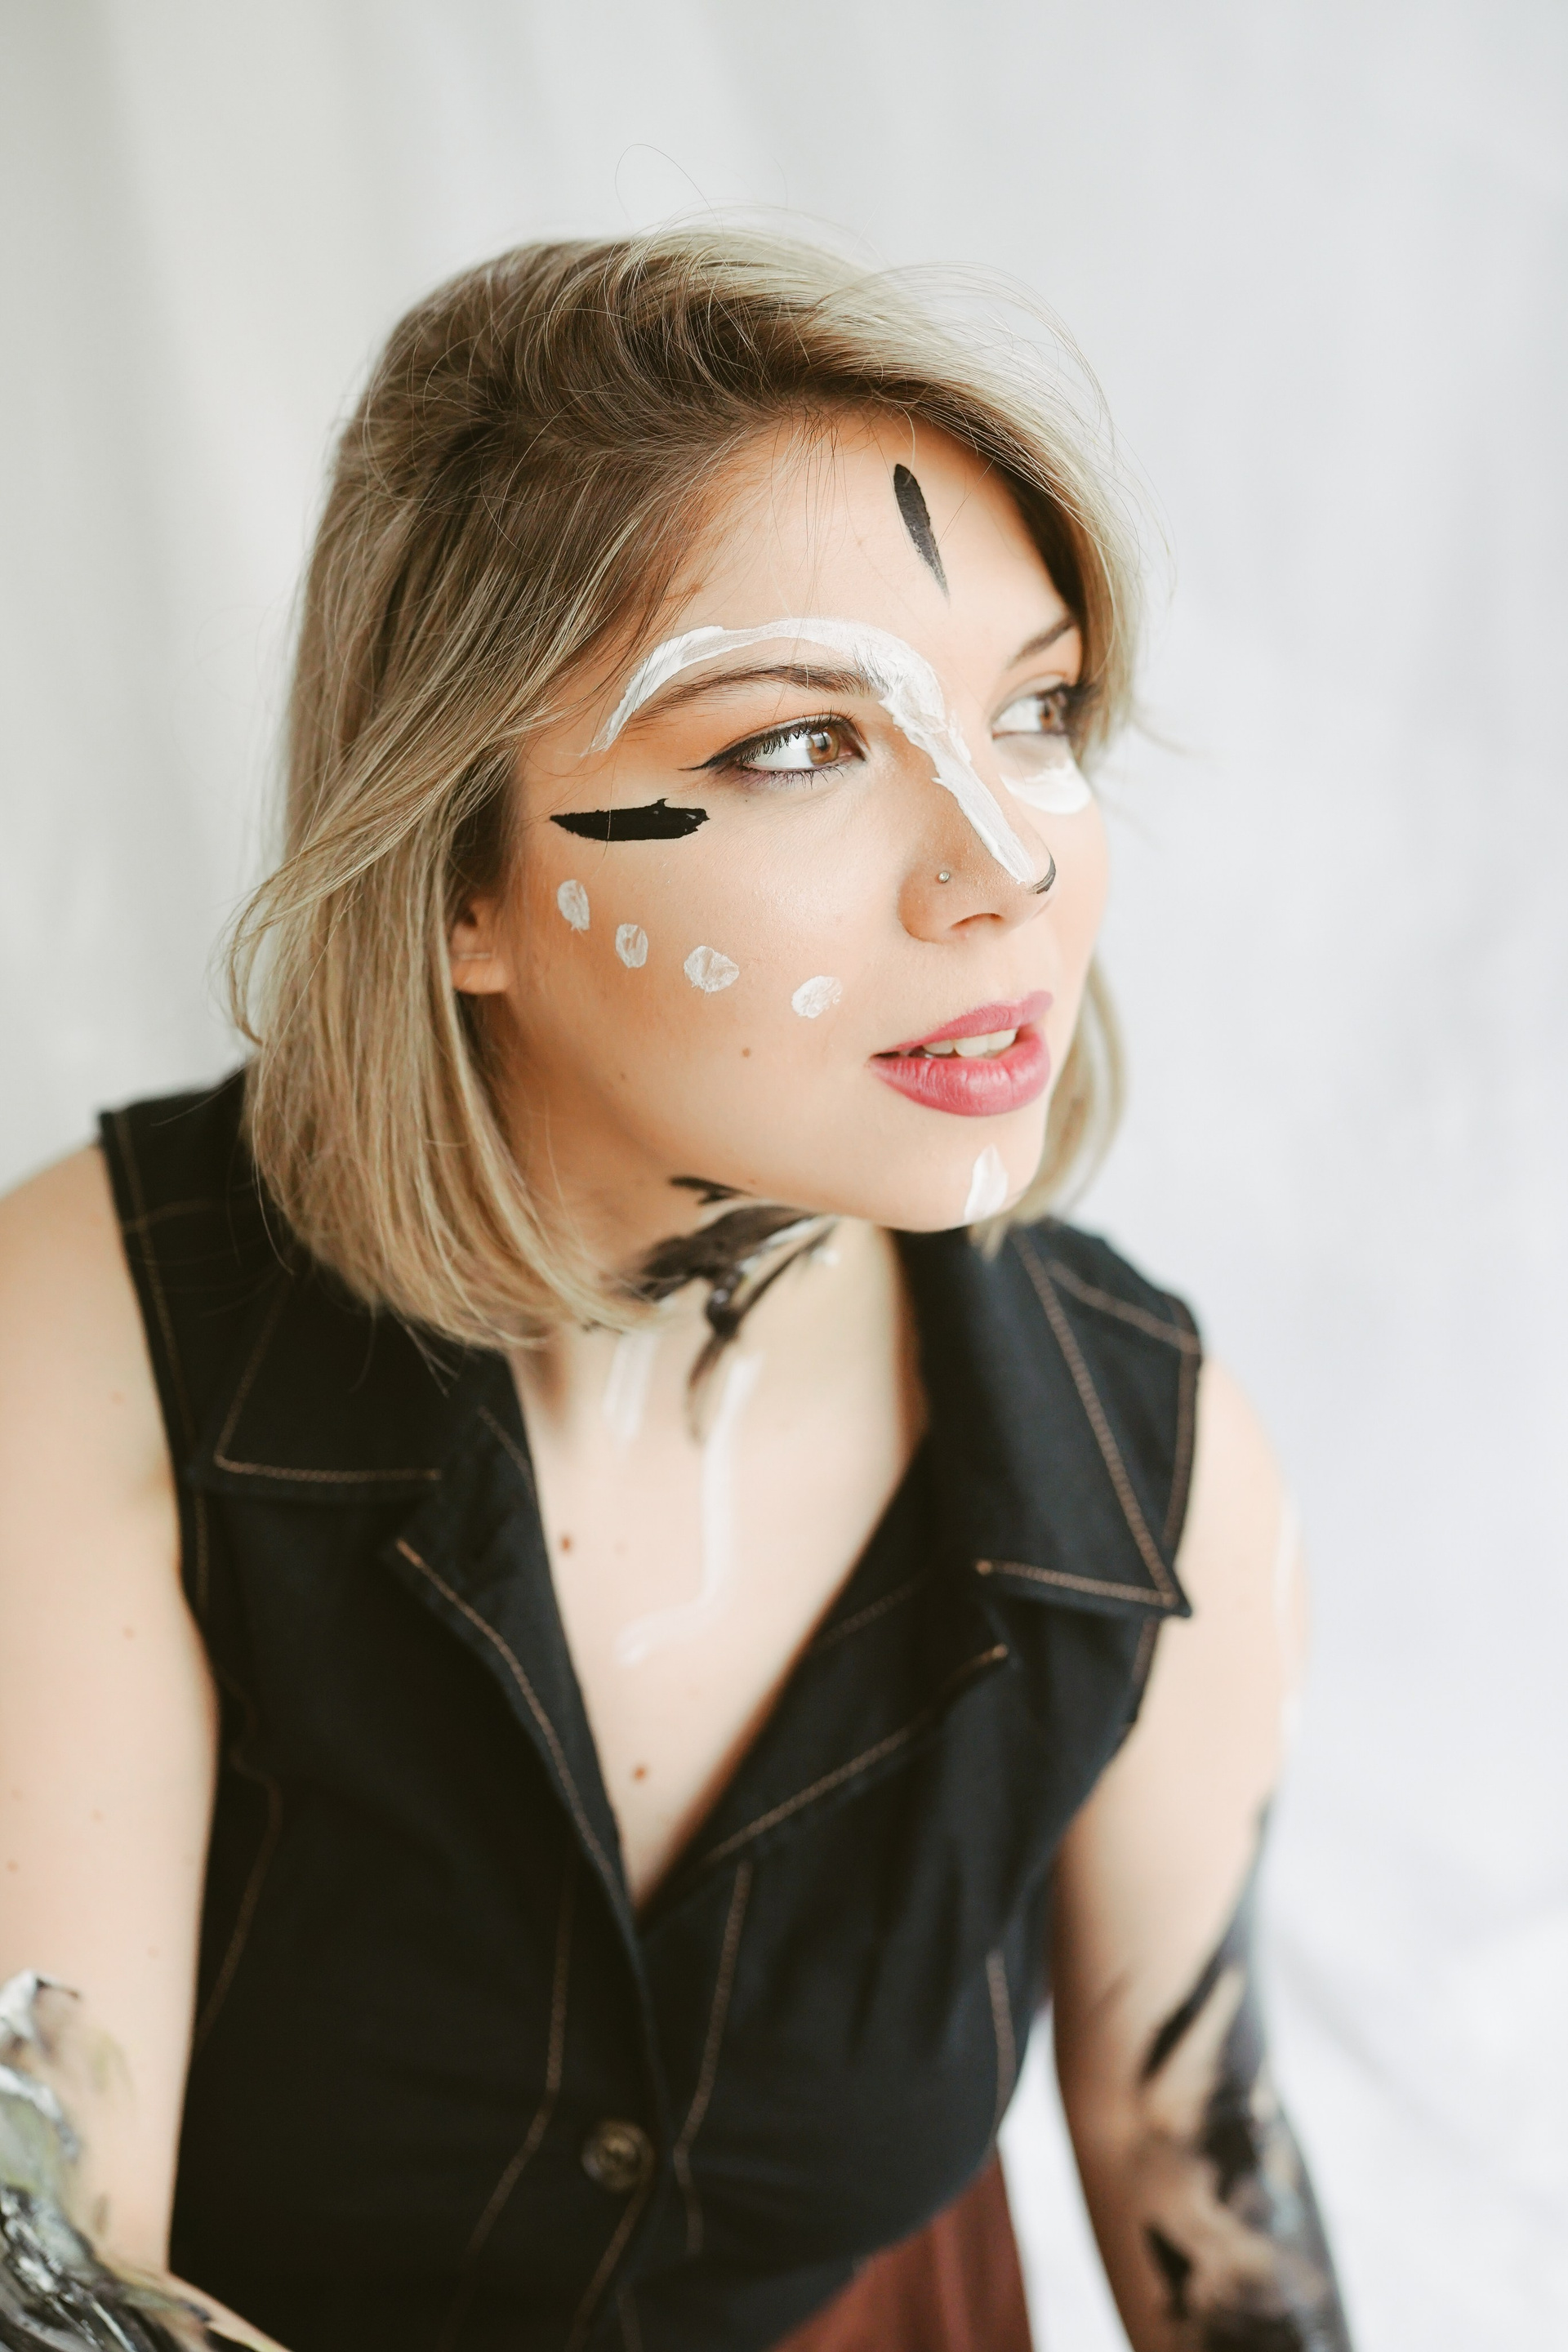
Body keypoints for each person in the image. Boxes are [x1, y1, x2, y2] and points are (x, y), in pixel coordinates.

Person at [0, 230, 1353, 2352]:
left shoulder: (1151, 1469)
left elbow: (1207, 2177)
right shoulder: (94, 1342)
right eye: (799, 746)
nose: (1006, 861)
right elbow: (44, 2257)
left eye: (1036, 709)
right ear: (459, 879)